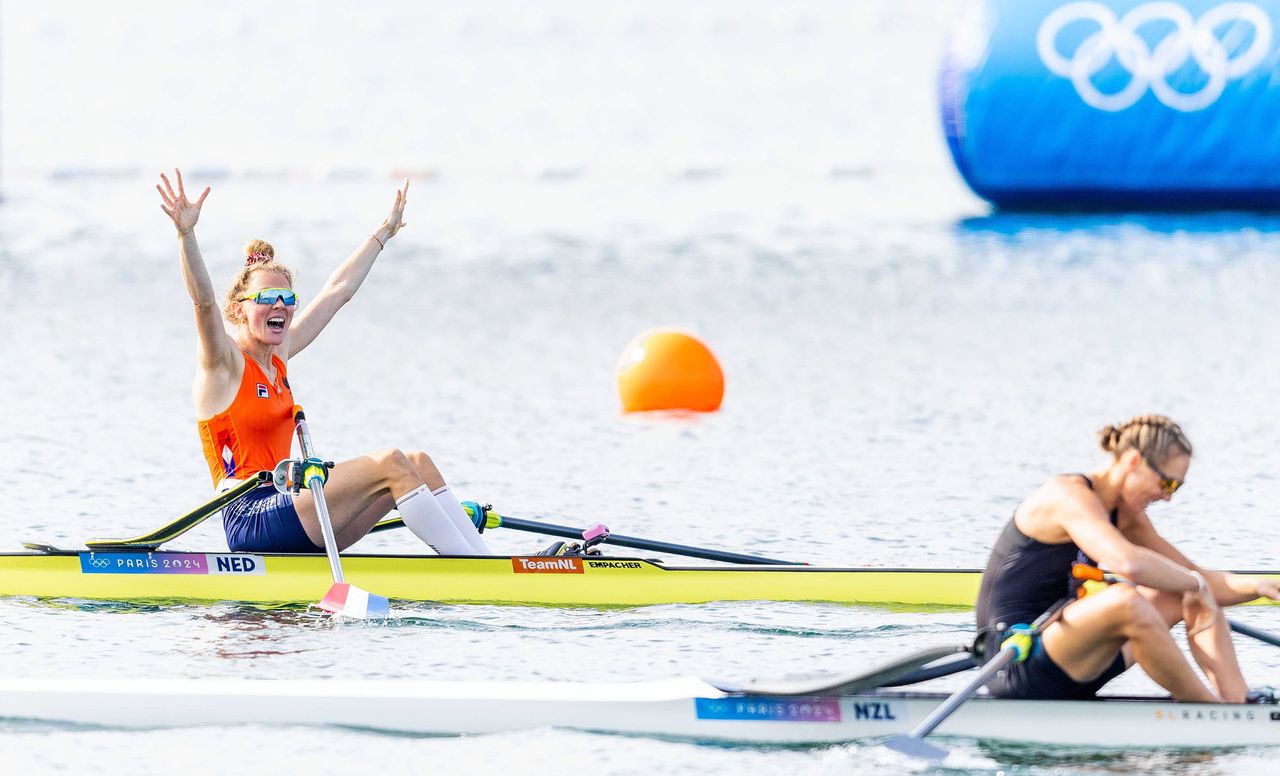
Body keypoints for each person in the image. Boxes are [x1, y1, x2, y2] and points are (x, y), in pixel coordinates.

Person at [156, 168, 491, 557]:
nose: (279, 305)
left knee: (418, 462)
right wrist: (186, 234)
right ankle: (477, 571)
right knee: (391, 462)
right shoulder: (224, 363)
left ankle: (485, 562)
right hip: (250, 518)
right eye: (266, 298)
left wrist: (383, 233)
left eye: (286, 297)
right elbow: (203, 302)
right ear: (239, 310)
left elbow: (338, 290)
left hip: (288, 506)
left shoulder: (277, 357)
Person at [975, 414, 1280, 702]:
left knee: (1180, 595)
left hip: (1074, 657)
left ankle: (1241, 705)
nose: (1168, 497)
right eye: (1167, 483)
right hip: (1017, 660)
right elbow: (1128, 564)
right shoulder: (1067, 496)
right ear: (1134, 461)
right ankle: (1210, 711)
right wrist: (1195, 583)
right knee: (1127, 599)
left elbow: (1193, 575)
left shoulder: (1127, 516)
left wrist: (1259, 587)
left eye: (1177, 487)